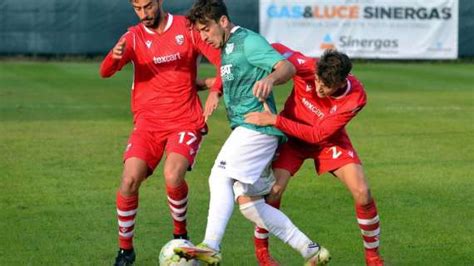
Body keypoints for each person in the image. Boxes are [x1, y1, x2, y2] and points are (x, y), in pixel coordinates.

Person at [173, 1, 331, 265]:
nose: (203, 37)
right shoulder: (227, 47)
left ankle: (211, 245)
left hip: (257, 127)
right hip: (250, 129)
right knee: (250, 205)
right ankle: (311, 250)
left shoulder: (248, 41)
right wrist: (211, 89)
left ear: (223, 22)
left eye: (206, 30)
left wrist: (269, 79)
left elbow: (286, 67)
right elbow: (234, 75)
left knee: (219, 175)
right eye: (200, 32)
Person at [99, 0, 223, 265]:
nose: (143, 14)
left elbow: (221, 59)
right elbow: (105, 72)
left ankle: (181, 235)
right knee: (129, 180)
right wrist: (116, 54)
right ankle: (125, 251)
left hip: (185, 119)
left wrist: (216, 89)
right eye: (137, 9)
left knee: (172, 174)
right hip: (147, 123)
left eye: (147, 7)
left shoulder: (187, 28)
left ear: (159, 2)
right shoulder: (132, 36)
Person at [245, 43, 384, 266]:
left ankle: (373, 257)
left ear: (341, 82)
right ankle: (263, 254)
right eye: (317, 80)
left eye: (326, 86)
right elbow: (267, 47)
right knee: (273, 192)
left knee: (363, 192)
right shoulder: (306, 65)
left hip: (327, 141)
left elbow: (318, 135)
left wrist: (275, 120)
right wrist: (268, 78)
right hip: (292, 139)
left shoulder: (356, 97)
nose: (318, 87)